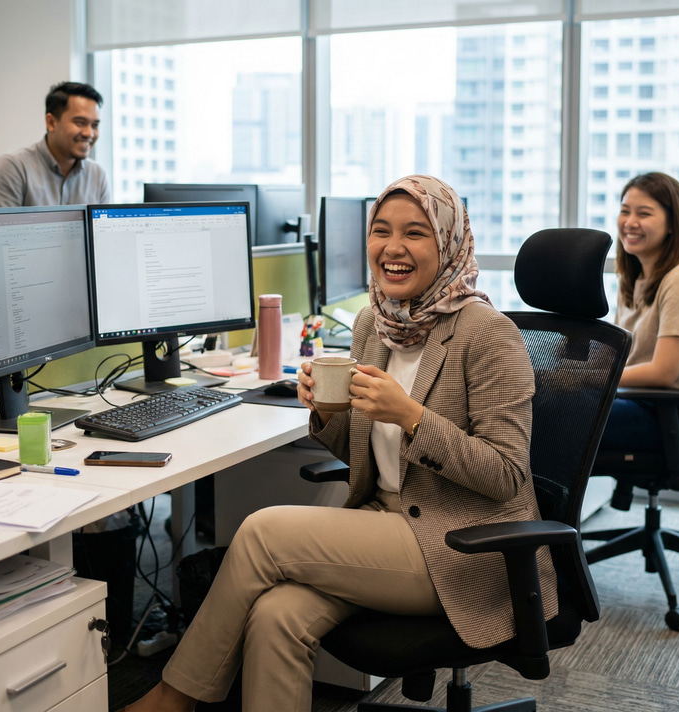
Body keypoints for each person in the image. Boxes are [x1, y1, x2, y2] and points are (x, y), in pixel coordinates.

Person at [122, 174, 557, 712]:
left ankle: (174, 698)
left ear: (447, 243)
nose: (392, 247)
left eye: (415, 233)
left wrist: (412, 416)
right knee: (276, 615)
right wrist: (326, 411)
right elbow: (365, 455)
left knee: (261, 532)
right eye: (381, 230)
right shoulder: (375, 322)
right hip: (383, 520)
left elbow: (506, 474)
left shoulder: (487, 332)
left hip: (461, 544)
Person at [599, 172, 679, 503]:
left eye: (644, 213)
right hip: (641, 403)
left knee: (558, 418)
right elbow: (621, 353)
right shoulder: (635, 277)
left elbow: (664, 372)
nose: (630, 222)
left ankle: (543, 524)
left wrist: (594, 380)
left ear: (672, 225)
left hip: (674, 417)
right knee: (549, 403)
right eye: (625, 211)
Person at [0, 81, 110, 207]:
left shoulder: (97, 175)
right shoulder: (13, 169)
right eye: (80, 123)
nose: (89, 133)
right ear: (51, 122)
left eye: (95, 125)